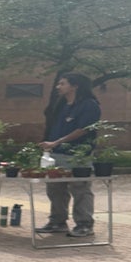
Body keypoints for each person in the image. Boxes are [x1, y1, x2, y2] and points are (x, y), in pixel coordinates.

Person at [36, 72, 101, 237]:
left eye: (62, 83)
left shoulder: (89, 105)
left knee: (80, 189)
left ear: (75, 86)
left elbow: (83, 129)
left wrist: (56, 142)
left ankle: (84, 224)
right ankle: (57, 222)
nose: (58, 87)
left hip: (78, 155)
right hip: (57, 154)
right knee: (55, 189)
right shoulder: (62, 105)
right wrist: (50, 145)